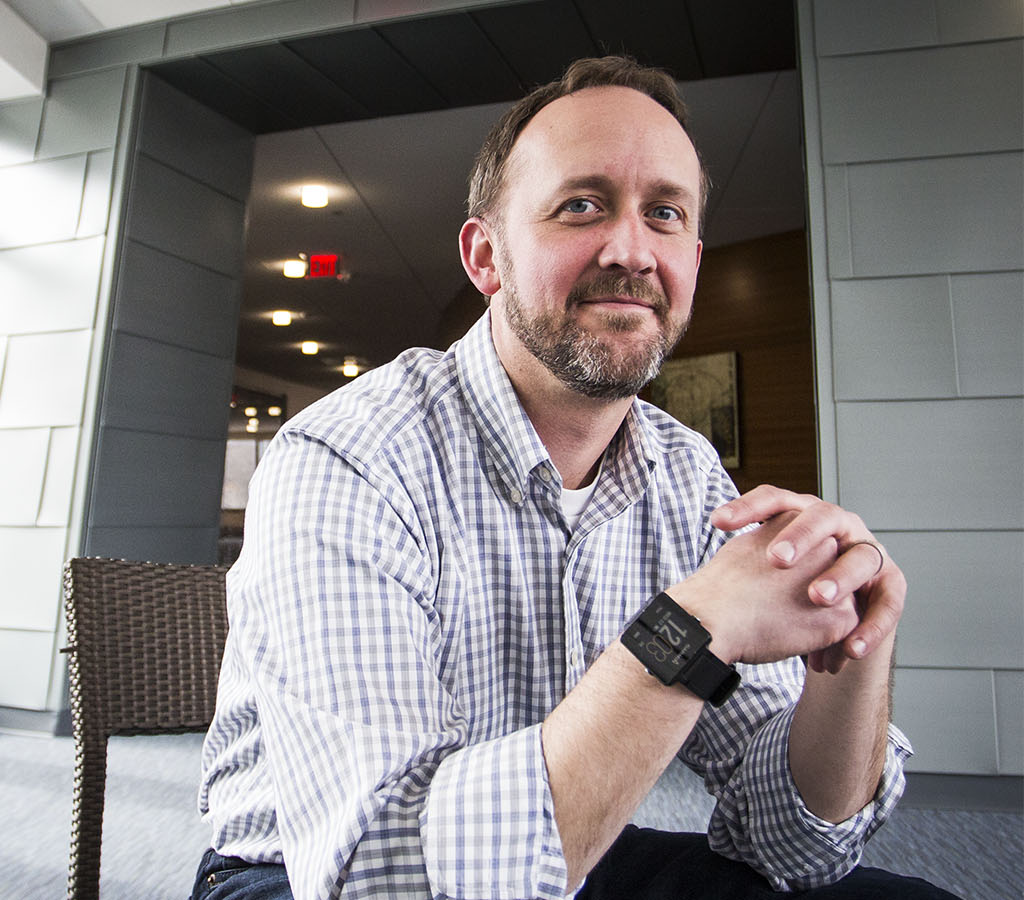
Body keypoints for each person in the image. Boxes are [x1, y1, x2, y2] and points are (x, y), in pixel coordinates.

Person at [191, 57, 958, 900]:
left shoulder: (686, 476)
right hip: (296, 876)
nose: (631, 250)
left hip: (568, 851)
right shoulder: (348, 459)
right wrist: (687, 630)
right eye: (581, 205)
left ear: (692, 260)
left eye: (664, 214)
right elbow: (381, 874)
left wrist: (851, 652)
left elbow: (794, 848)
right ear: (486, 256)